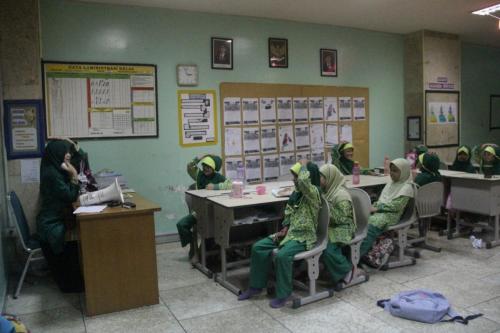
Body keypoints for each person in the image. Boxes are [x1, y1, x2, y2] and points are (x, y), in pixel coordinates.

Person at [238, 161, 321, 308]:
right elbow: (289, 213)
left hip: (304, 236)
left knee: (283, 256)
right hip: (289, 233)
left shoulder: (313, 193)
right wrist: (285, 226)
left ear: (307, 176)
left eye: (296, 176)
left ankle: (284, 294)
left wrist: (303, 166)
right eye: (294, 176)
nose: (294, 179)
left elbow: (303, 181)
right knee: (258, 247)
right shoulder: (296, 194)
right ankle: (255, 287)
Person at [37, 139, 86, 293]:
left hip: (56, 218)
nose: (67, 155)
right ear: (56, 153)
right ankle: (73, 283)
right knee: (74, 240)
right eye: (64, 151)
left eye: (68, 151)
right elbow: (70, 195)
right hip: (51, 224)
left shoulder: (53, 167)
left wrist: (76, 148)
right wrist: (73, 175)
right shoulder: (52, 174)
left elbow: (78, 160)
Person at [176, 155, 232, 261]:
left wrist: (215, 187)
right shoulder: (198, 175)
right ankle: (193, 247)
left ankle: (202, 252)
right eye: (204, 165)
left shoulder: (218, 177)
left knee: (212, 230)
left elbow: (230, 184)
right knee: (181, 224)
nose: (206, 168)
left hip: (214, 212)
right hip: (199, 211)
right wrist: (200, 157)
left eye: (209, 166)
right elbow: (190, 166)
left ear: (214, 168)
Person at [359, 158, 416, 259]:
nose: (392, 173)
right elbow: (383, 199)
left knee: (371, 227)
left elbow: (396, 206)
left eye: (395, 171)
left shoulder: (407, 187)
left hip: (392, 215)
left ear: (404, 172)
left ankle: (357, 257)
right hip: (381, 211)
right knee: (360, 221)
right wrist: (374, 206)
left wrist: (377, 208)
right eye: (391, 170)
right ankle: (358, 252)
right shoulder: (391, 183)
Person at [318, 164, 356, 288]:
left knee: (327, 247)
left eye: (321, 177)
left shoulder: (341, 195)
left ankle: (347, 271)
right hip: (330, 225)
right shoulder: (326, 191)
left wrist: (323, 211)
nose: (318, 179)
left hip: (343, 227)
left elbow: (342, 218)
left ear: (330, 178)